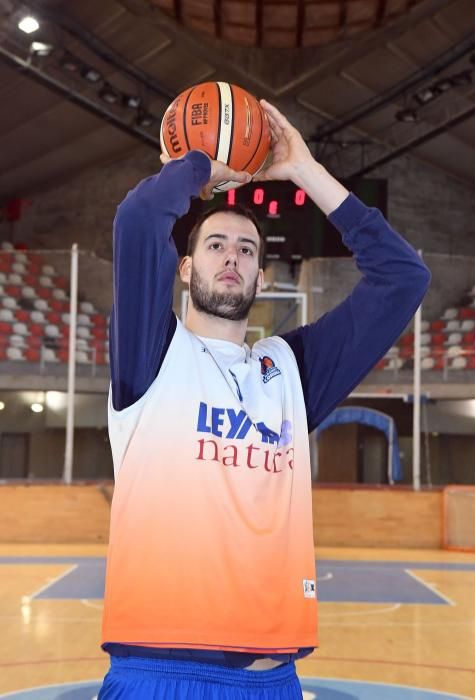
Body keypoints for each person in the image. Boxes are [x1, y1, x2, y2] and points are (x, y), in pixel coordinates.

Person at [98, 100, 430, 699]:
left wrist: (304, 170)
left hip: (273, 681)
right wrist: (203, 164)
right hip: (158, 675)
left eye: (247, 250)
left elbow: (404, 278)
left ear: (259, 275)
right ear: (184, 268)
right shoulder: (150, 352)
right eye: (217, 244)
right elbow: (142, 214)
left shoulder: (290, 372)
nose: (232, 256)